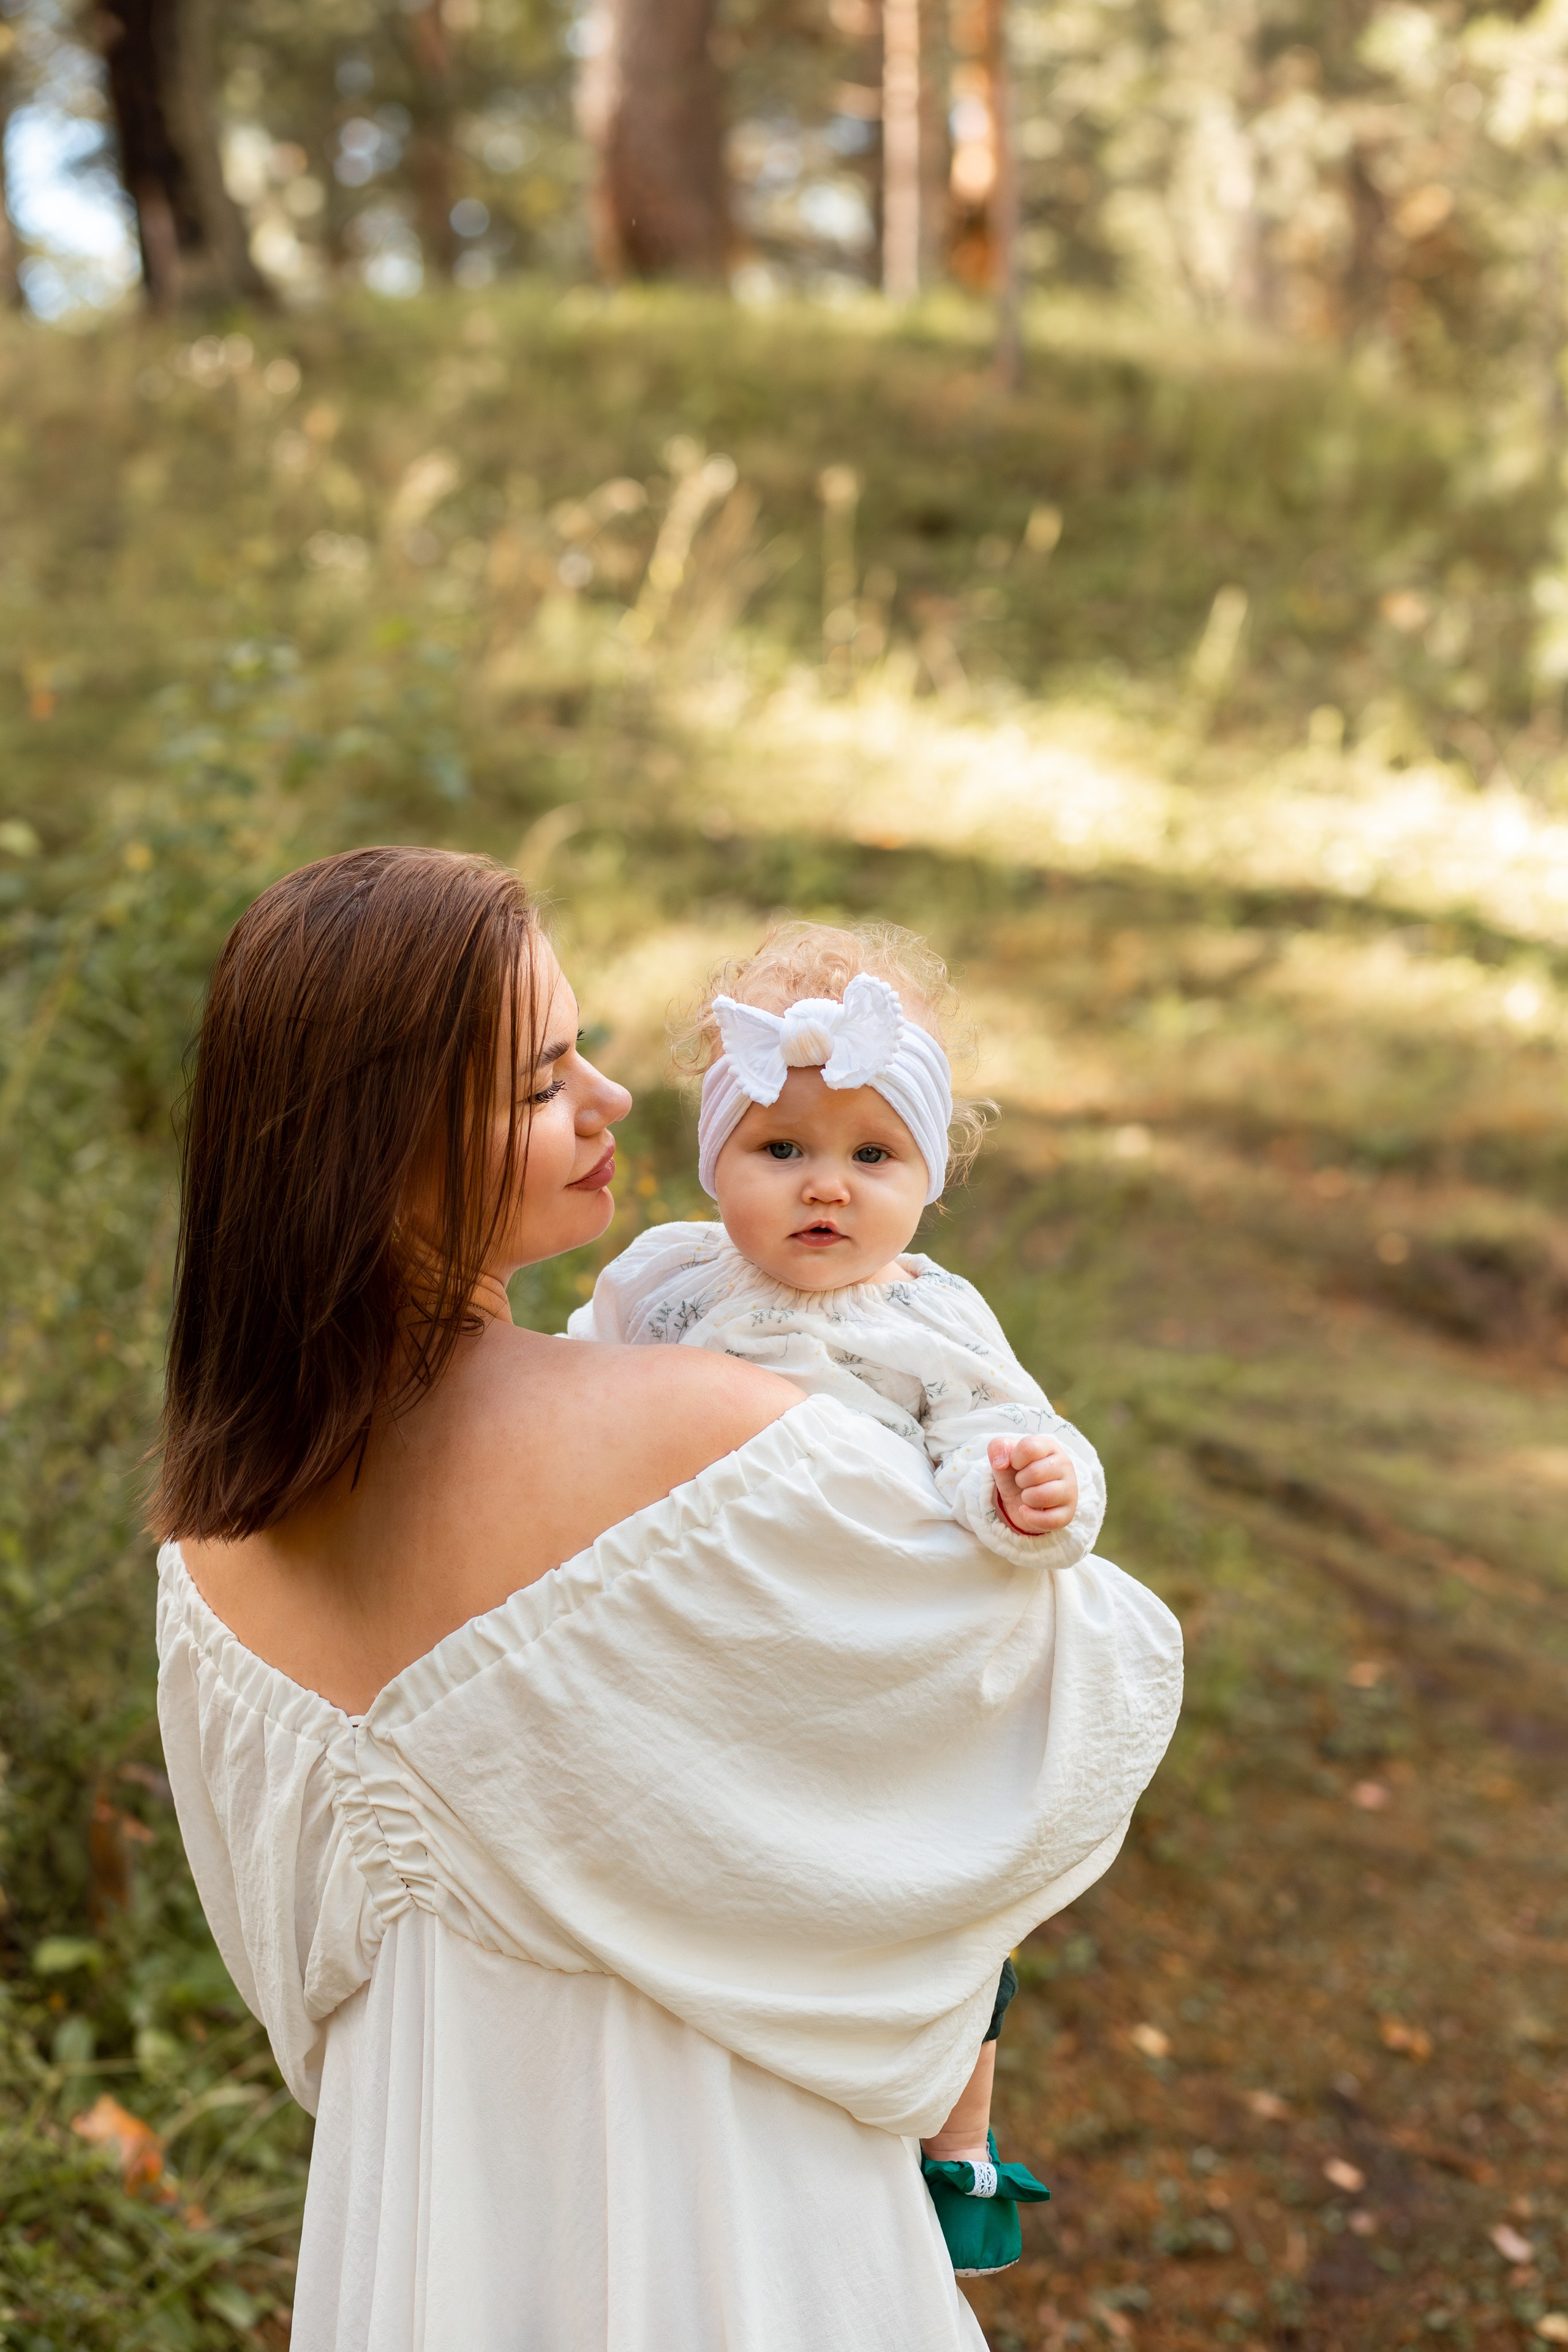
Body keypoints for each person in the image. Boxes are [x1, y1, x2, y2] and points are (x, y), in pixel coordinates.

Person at [153, 845, 1183, 2352]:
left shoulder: (210, 1551)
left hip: (420, 2243)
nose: (609, 1100)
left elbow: (296, 1998)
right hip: (725, 2215)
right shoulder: (706, 1434)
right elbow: (1071, 1681)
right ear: (373, 1143)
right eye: (538, 1080)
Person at [567, 919, 1104, 2273]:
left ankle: (954, 2143)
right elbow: (573, 1400)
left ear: (927, 1176)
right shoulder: (667, 1286)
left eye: (872, 1157)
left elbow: (1000, 1432)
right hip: (704, 1655)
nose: (827, 1189)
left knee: (945, 1912)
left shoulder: (930, 1321)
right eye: (782, 1150)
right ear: (715, 1165)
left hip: (869, 1662)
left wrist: (1027, 1492)